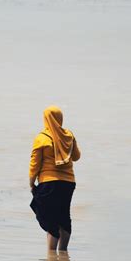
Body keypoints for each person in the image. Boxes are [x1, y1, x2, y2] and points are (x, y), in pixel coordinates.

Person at [29, 106, 81, 251]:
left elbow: (35, 163)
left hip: (49, 182)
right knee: (64, 214)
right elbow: (76, 157)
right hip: (68, 183)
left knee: (49, 216)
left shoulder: (41, 138)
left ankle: (51, 254)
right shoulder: (69, 135)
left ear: (46, 119)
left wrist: (31, 182)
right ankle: (63, 251)